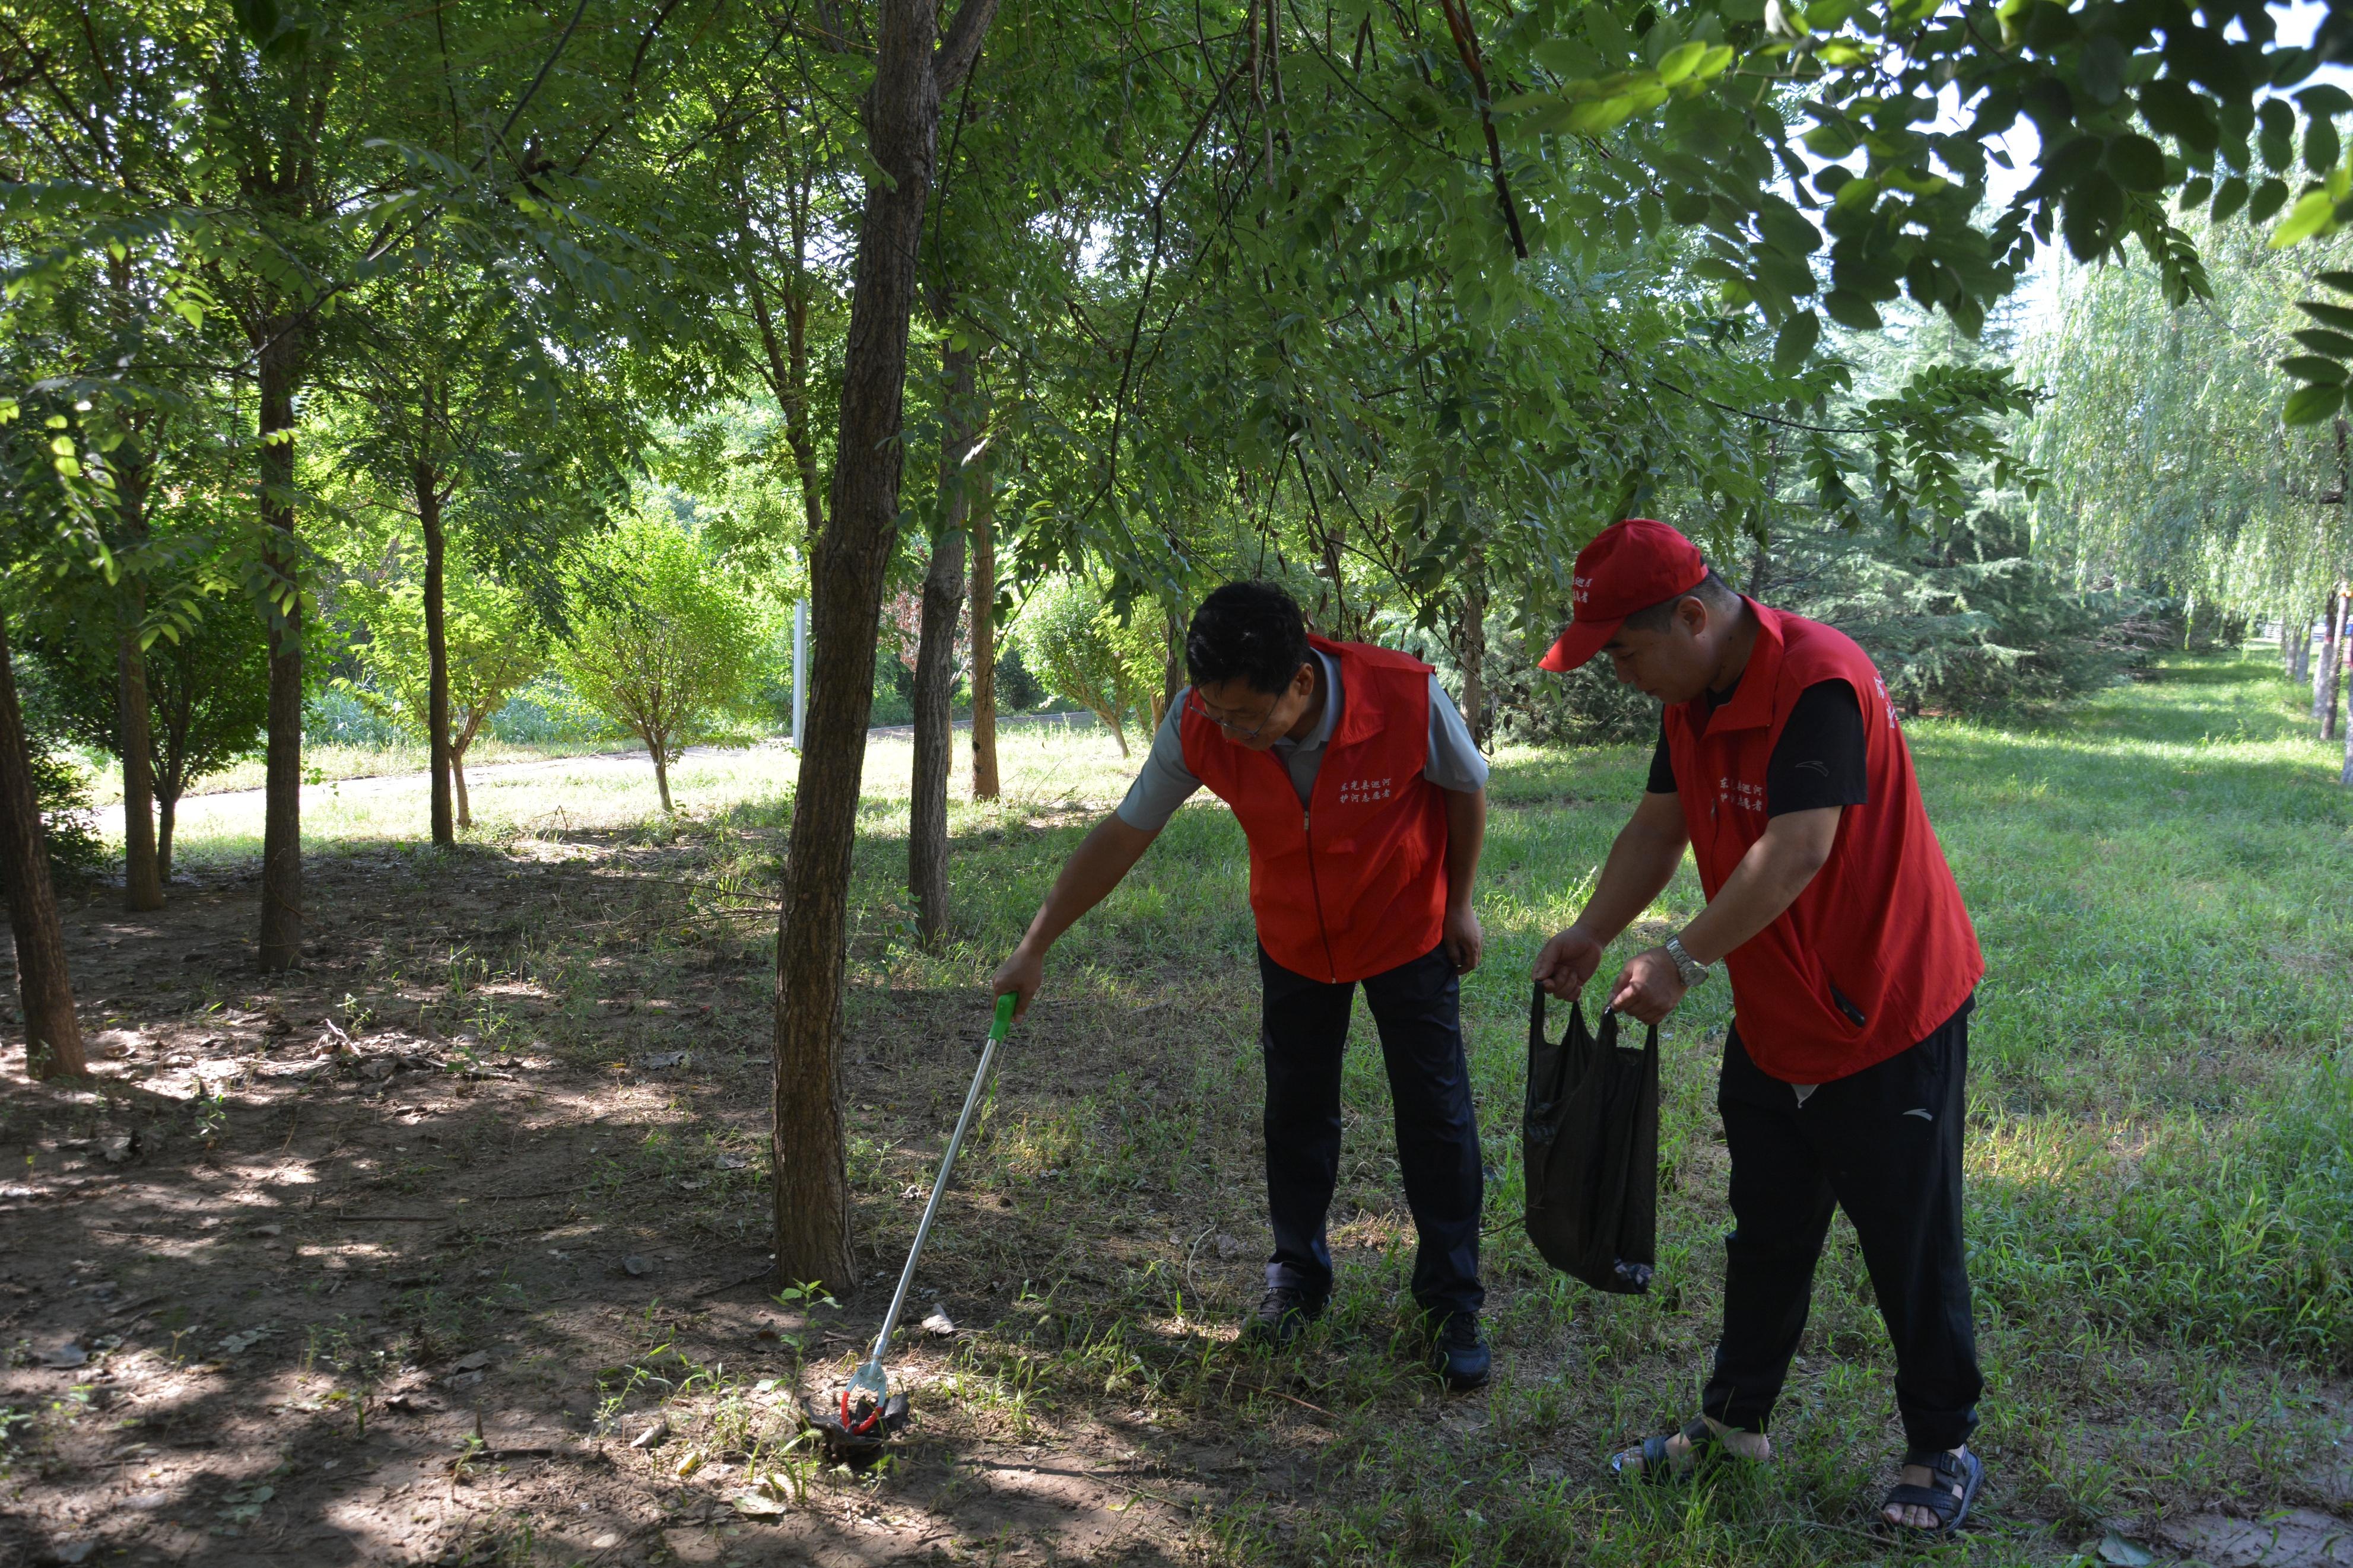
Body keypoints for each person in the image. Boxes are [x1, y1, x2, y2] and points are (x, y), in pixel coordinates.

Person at [1530, 519, 1987, 1535]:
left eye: (1626, 652)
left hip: (1888, 1009)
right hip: (1778, 1009)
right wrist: (1593, 932)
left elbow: (1797, 850)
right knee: (1768, 1229)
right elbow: (1660, 825)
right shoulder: (1689, 695)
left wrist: (1683, 960)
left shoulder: (1818, 679)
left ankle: (1940, 1446)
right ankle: (1733, 1426)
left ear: (1693, 617)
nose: (1622, 675)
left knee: (1906, 1240)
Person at [992, 581, 1495, 1390]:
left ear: (1299, 681)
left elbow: (1465, 790)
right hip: (1294, 937)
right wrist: (1035, 944)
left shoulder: (1404, 693)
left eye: (1245, 718)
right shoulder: (1199, 720)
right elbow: (1126, 832)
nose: (1229, 733)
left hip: (1406, 928)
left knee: (1434, 1112)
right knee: (1296, 1110)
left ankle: (1450, 1300)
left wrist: (1460, 904)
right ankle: (1296, 1279)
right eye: (1216, 714)